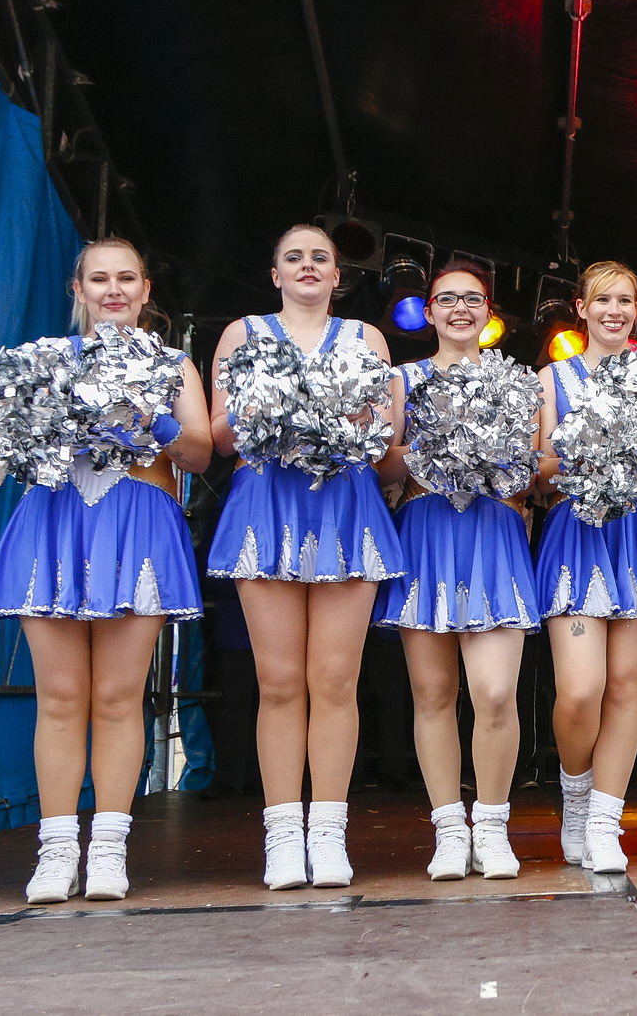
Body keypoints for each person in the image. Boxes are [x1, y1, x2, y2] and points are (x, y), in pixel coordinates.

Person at [0, 239, 212, 904]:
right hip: (55, 521)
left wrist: (152, 418)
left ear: (146, 290)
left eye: (126, 278)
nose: (113, 289)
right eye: (99, 278)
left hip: (138, 524)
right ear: (79, 290)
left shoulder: (172, 363)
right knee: (60, 696)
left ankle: (110, 846)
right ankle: (57, 849)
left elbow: (200, 453)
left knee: (120, 696)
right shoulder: (42, 360)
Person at [206, 225, 405, 890]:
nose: (308, 266)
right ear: (275, 274)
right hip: (267, 503)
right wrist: (273, 406)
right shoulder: (242, 334)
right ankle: (283, 834)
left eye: (321, 257)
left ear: (338, 274)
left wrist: (347, 419)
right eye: (294, 257)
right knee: (280, 681)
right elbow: (220, 436)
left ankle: (329, 830)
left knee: (337, 680)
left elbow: (384, 441)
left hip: (345, 504)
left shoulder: (367, 339)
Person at [372, 260, 537, 880]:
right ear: (429, 312)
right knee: (433, 694)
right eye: (447, 299)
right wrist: (429, 452)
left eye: (472, 299)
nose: (460, 308)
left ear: (489, 311)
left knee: (494, 692)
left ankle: (491, 825)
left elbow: (532, 472)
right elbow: (382, 466)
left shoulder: (517, 380)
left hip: (493, 529)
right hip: (426, 530)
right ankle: (447, 828)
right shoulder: (402, 378)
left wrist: (494, 457)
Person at [545, 261, 637, 874]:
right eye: (602, 300)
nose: (614, 311)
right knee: (581, 689)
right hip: (578, 530)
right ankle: (575, 794)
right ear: (581, 309)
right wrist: (587, 449)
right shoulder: (552, 377)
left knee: (627, 686)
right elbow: (538, 471)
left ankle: (606, 821)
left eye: (626, 301)